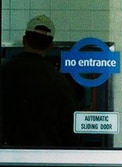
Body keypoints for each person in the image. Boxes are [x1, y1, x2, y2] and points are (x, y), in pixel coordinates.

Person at [0, 14, 78, 147]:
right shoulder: (59, 81)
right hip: (45, 159)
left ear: (24, 40)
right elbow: (70, 131)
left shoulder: (4, 73)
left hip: (8, 159)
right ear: (50, 46)